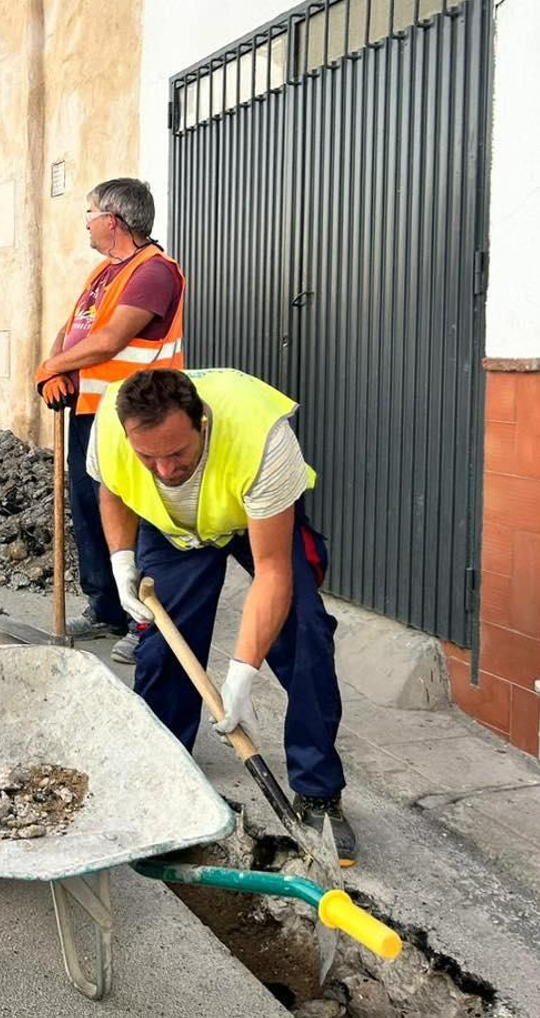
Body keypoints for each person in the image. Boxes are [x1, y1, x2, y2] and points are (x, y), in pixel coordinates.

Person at [91, 367, 355, 862]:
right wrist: (121, 559)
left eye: (178, 454)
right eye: (149, 456)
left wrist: (240, 675)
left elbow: (274, 572)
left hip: (253, 515)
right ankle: (164, 775)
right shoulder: (109, 424)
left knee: (305, 634)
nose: (165, 470)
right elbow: (113, 488)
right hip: (174, 531)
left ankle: (319, 792)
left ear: (203, 424)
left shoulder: (261, 438)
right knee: (165, 645)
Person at [34, 178, 185, 662]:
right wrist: (55, 369)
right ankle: (106, 607)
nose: (86, 222)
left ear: (113, 221)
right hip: (90, 412)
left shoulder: (154, 272)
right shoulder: (104, 273)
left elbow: (111, 340)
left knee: (134, 516)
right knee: (89, 508)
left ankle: (146, 622)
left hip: (136, 415)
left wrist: (51, 367)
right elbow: (74, 328)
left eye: (90, 213)